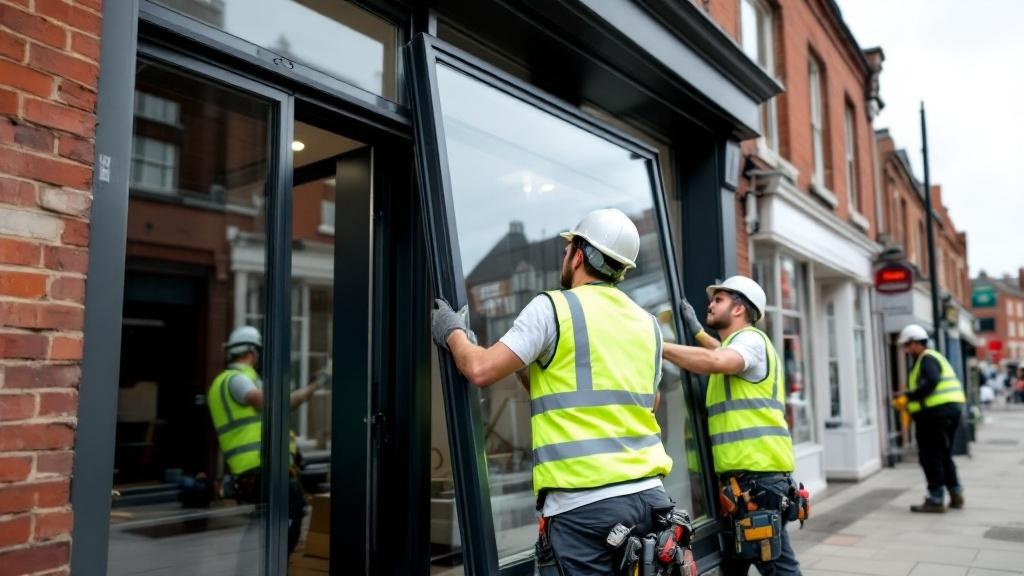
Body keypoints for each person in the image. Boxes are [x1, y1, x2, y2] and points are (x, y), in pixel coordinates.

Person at [431, 208, 681, 575]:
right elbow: (648, 403)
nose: (564, 257)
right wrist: (529, 369)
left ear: (579, 254)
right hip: (650, 499)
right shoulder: (648, 325)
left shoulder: (553, 307)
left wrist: (452, 332)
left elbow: (481, 369)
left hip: (585, 510)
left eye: (567, 249)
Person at [661, 275, 803, 576]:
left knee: (779, 569)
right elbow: (719, 351)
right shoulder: (743, 344)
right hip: (747, 483)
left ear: (739, 309)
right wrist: (698, 332)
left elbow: (716, 360)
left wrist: (657, 344)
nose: (710, 305)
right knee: (736, 566)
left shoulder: (750, 341)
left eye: (719, 300)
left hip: (757, 482)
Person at [207, 326, 324, 560]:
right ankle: (278, 564)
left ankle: (255, 567)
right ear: (251, 352)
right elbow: (271, 403)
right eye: (258, 352)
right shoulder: (238, 379)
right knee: (292, 510)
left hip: (251, 467)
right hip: (261, 466)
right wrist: (310, 389)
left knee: (263, 523)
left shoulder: (221, 381)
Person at [893, 324, 966, 513]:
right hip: (950, 411)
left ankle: (935, 499)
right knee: (943, 455)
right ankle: (955, 494)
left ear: (916, 343)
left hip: (935, 414)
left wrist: (909, 396)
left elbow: (932, 381)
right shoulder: (933, 357)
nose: (906, 350)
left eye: (907, 346)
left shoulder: (926, 359)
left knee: (930, 456)